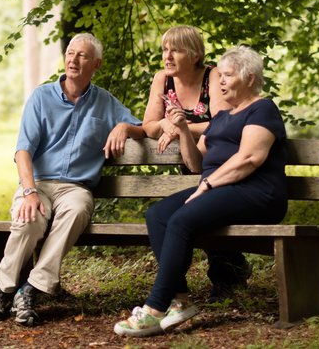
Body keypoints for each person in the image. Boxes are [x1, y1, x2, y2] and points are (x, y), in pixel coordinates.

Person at [114, 45, 287, 337]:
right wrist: (182, 129)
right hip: (220, 190)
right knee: (158, 215)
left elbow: (248, 159)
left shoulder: (263, 109)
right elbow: (196, 164)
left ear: (249, 78)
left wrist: (207, 185)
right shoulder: (222, 117)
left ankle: (155, 309)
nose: (219, 81)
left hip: (256, 193)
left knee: (181, 220)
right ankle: (180, 300)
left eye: (228, 75)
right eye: (219, 76)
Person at [0, 33, 145, 327]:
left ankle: (32, 289)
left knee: (79, 208)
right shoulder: (41, 97)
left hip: (75, 189)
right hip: (38, 184)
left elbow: (142, 127)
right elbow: (22, 151)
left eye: (82, 55)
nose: (73, 59)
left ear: (96, 64)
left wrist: (123, 127)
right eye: (70, 53)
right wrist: (29, 191)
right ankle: (1, 285)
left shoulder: (105, 102)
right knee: (30, 220)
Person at [141, 25, 252, 302]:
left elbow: (221, 122)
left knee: (203, 213)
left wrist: (180, 128)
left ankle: (227, 275)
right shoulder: (162, 80)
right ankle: (188, 286)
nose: (168, 56)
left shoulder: (212, 76)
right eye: (165, 49)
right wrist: (168, 124)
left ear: (194, 54)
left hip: (218, 158)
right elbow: (149, 125)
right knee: (182, 216)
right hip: (191, 157)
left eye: (175, 50)